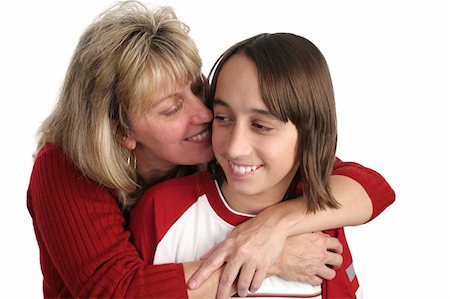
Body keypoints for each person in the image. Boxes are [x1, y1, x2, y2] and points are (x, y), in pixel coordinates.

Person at [27, 1, 394, 298]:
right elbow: (113, 292)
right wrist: (270, 258)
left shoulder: (228, 156)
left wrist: (273, 225)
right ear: (122, 131)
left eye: (198, 88)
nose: (204, 113)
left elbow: (371, 187)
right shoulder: (65, 167)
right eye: (172, 108)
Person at [130, 32, 387, 298]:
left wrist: (278, 226)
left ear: (310, 132)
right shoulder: (160, 211)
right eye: (223, 118)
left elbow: (378, 188)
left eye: (261, 126)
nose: (234, 147)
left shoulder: (323, 224)